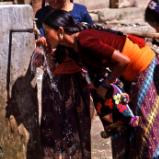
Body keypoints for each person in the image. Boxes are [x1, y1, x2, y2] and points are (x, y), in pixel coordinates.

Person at [40, 9, 159, 159]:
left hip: (144, 66)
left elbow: (124, 61)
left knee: (146, 125)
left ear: (61, 31)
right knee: (130, 126)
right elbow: (61, 69)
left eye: (46, 31)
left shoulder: (85, 41)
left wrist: (105, 85)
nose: (44, 34)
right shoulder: (74, 47)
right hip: (131, 74)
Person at [33, 1, 94, 159]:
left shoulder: (81, 11)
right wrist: (41, 45)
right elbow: (40, 38)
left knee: (78, 121)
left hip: (76, 77)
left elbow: (89, 37)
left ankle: (78, 154)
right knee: (53, 121)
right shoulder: (42, 14)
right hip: (54, 76)